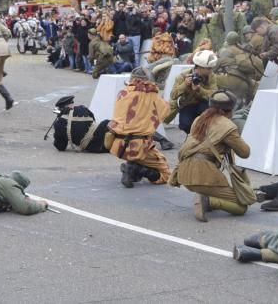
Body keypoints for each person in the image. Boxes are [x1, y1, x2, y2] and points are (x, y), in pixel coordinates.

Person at [171, 89, 251, 222]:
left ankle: (204, 196)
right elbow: (245, 153)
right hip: (203, 175)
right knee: (241, 205)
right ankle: (207, 201)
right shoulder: (228, 126)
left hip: (184, 173)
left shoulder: (198, 119)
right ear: (230, 109)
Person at [107, 67, 170, 188]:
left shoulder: (123, 93)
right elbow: (165, 112)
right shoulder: (152, 96)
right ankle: (137, 169)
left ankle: (133, 168)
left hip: (118, 145)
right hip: (139, 146)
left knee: (139, 137)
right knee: (166, 175)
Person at [166, 50, 219, 133]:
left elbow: (215, 94)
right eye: (208, 68)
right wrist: (184, 85)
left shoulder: (211, 77)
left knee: (206, 119)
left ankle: (200, 136)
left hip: (203, 104)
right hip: (188, 104)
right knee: (184, 125)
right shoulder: (183, 76)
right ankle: (192, 135)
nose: (211, 71)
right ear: (200, 67)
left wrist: (200, 90)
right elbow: (173, 95)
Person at [212, 32, 264, 102]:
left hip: (235, 82)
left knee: (212, 78)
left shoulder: (226, 51)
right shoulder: (243, 48)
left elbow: (212, 70)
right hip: (248, 79)